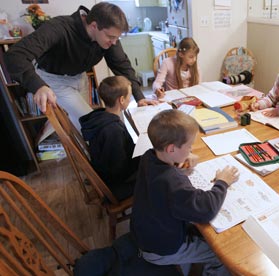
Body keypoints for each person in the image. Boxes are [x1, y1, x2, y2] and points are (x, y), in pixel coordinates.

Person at [4, 3, 156, 130]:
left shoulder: (109, 34)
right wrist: (38, 86)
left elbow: (121, 65)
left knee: (82, 124)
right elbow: (15, 55)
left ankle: (92, 155)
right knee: (93, 122)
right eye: (110, 37)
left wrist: (140, 97)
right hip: (53, 80)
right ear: (94, 26)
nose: (114, 42)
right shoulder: (59, 28)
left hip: (79, 77)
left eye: (117, 37)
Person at [131, 109, 239, 275]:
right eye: (189, 146)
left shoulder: (149, 156)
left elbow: (165, 182)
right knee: (221, 255)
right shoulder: (172, 182)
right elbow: (206, 209)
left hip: (145, 233)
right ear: (171, 149)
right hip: (160, 249)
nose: (191, 150)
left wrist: (178, 159)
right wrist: (222, 182)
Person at [79, 76, 138, 201]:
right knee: (158, 169)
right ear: (121, 100)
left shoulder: (102, 116)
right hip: (116, 184)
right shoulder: (113, 130)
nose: (130, 99)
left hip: (109, 173)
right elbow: (118, 169)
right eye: (130, 96)